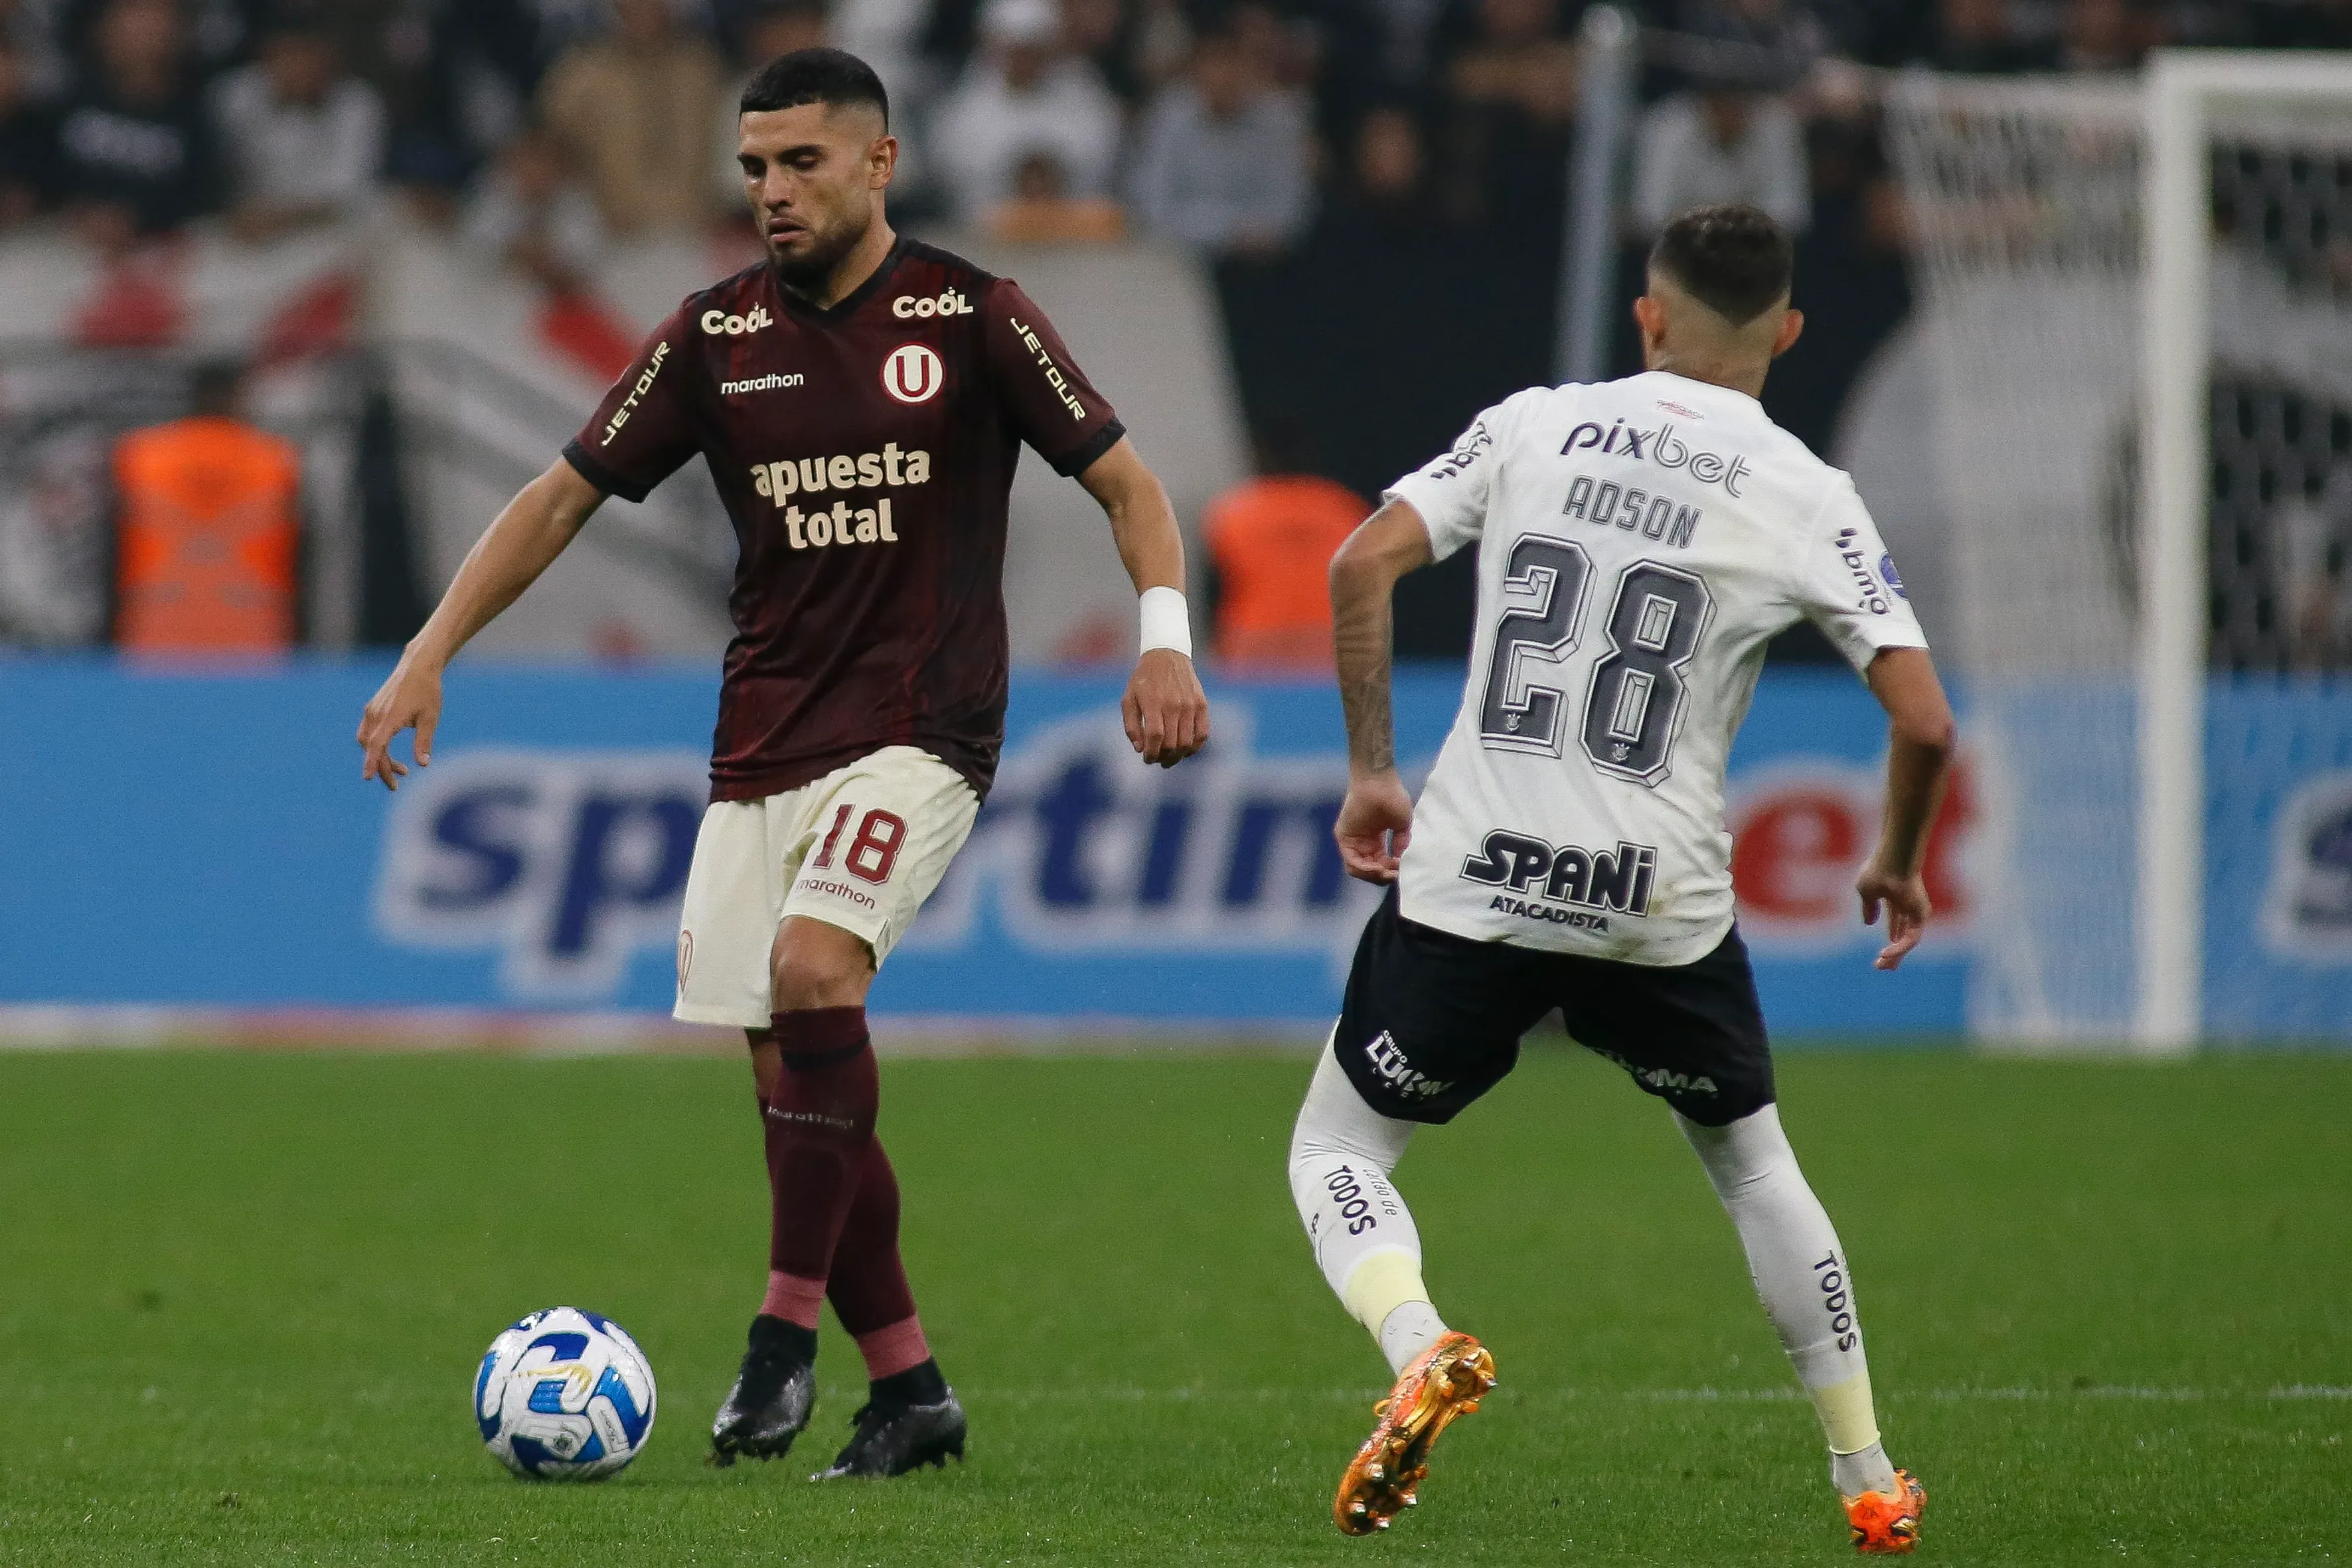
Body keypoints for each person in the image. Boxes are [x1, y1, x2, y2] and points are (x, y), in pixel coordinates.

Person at [356, 46, 1209, 1478]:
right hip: (759, 739)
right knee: (795, 1084)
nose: (771, 191)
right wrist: (430, 645)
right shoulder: (714, 336)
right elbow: (563, 495)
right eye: (753, 168)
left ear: (879, 161)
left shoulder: (973, 311)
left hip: (923, 725)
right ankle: (912, 1388)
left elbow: (1125, 481)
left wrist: (1165, 642)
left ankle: (779, 1339)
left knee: (818, 975)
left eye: (801, 162)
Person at [1287, 204, 1950, 1553]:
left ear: (1644, 314)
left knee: (1337, 1149)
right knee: (1753, 1167)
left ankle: (1418, 1343)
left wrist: (1371, 769)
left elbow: (1361, 562)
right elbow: (1927, 721)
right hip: (1657, 902)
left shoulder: (1534, 421)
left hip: (1475, 880)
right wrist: (1892, 854)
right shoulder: (1805, 490)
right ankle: (1867, 1473)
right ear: (1788, 330)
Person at [114, 359, 303, 655]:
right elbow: (304, 555)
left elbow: (111, 551)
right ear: (236, 398)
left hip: (157, 627)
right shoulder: (276, 458)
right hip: (254, 629)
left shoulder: (142, 455)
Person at [538, 0, 728, 235]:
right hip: (613, 239)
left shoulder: (703, 68)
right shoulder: (580, 76)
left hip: (701, 235)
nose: (644, 9)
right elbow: (548, 155)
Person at [1127, 21, 1310, 258]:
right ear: (1195, 68)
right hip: (1183, 257)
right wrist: (1228, 233)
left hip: (1260, 264)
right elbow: (1152, 207)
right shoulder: (1168, 118)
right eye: (1214, 62)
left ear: (1250, 66)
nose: (1223, 75)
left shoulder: (1280, 122)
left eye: (1233, 61)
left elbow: (1289, 209)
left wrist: (1251, 236)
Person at [929, 0, 1119, 226]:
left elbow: (1102, 156)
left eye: (1034, 51)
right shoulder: (968, 105)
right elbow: (954, 168)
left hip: (1071, 230)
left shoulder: (1083, 93)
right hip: (987, 232)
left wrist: (1051, 170)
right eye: (1016, 51)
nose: (1025, 61)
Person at [1202, 422, 1368, 669]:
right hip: (1327, 641)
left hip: (1253, 642)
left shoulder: (1233, 512)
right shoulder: (1346, 509)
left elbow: (1215, 588)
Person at [210, 17, 386, 242]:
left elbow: (349, 189)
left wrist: (283, 218)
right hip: (243, 229)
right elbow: (219, 177)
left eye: (310, 56)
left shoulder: (358, 103)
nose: (301, 67)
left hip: (327, 229)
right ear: (267, 57)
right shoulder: (232, 96)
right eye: (290, 56)